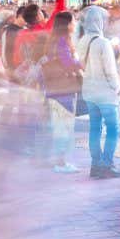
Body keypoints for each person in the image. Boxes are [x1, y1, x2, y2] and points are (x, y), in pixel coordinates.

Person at [77, 6, 120, 178]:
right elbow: (111, 71)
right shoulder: (104, 43)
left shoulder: (82, 41)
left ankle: (96, 164)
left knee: (95, 128)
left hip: (89, 91)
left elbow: (80, 66)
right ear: (99, 22)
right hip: (105, 94)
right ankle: (107, 164)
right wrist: (117, 89)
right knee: (113, 128)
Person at [42, 11, 81, 174]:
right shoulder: (62, 42)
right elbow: (68, 63)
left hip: (54, 89)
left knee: (59, 126)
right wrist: (82, 63)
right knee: (63, 127)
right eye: (73, 21)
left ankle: (58, 161)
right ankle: (60, 163)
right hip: (63, 89)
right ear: (66, 25)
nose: (75, 23)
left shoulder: (53, 41)